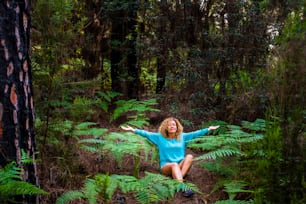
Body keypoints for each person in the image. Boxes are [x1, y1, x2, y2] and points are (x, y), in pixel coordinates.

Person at [121, 117, 219, 197]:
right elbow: (146, 134)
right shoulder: (159, 137)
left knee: (189, 156)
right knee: (174, 165)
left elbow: (195, 134)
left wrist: (208, 129)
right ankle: (182, 187)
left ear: (177, 127)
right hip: (166, 166)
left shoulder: (182, 136)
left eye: (173, 125)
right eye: (169, 125)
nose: (171, 126)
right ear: (166, 128)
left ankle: (177, 178)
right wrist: (133, 130)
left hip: (180, 165)